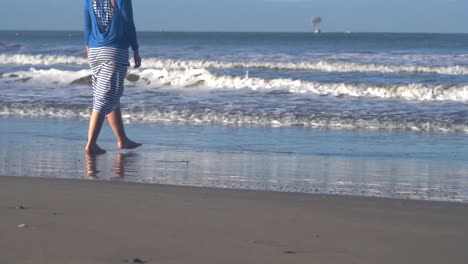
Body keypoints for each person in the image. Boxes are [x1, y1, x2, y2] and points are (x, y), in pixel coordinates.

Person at [84, 0, 142, 154]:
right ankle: (91, 143)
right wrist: (135, 48)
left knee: (109, 96)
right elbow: (128, 23)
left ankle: (122, 139)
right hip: (114, 50)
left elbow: (87, 22)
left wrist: (87, 46)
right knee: (106, 98)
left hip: (94, 51)